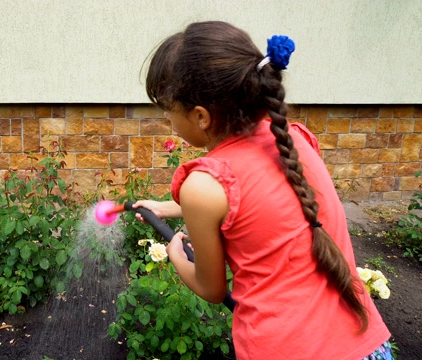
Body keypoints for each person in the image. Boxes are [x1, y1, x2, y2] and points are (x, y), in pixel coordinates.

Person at [134, 21, 392, 359]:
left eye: (168, 112)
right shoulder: (294, 140)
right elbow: (265, 201)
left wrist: (176, 256)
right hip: (367, 344)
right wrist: (172, 206)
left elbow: (211, 289)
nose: (169, 122)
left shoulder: (204, 186)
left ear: (200, 116)